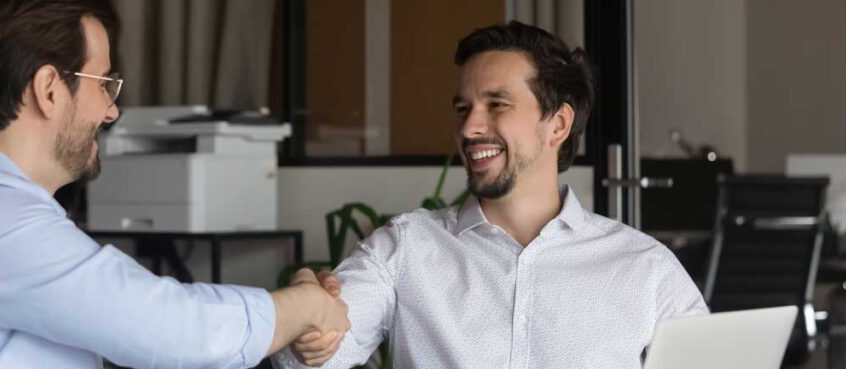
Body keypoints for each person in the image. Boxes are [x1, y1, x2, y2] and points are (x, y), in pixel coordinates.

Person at [0, 1, 347, 368]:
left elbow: (128, 317)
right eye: (103, 85)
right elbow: (171, 328)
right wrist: (301, 306)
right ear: (49, 90)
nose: (112, 110)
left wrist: (294, 309)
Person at [276, 21, 708, 369]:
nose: (469, 128)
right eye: (463, 108)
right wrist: (305, 315)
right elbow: (309, 357)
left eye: (496, 104)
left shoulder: (644, 268)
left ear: (557, 124)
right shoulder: (405, 248)